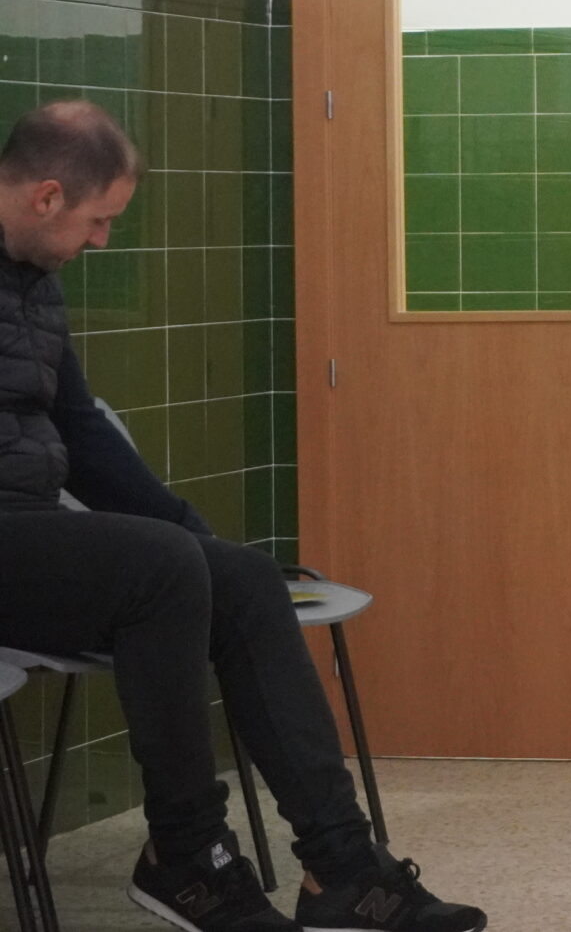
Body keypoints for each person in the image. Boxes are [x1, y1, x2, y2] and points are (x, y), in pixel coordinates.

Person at [0, 101, 485, 932]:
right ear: (47, 196)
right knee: (159, 567)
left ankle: (343, 868)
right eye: (98, 220)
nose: (103, 240)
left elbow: (82, 435)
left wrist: (199, 536)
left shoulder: (34, 283)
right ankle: (186, 854)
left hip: (29, 533)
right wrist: (176, 550)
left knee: (244, 576)